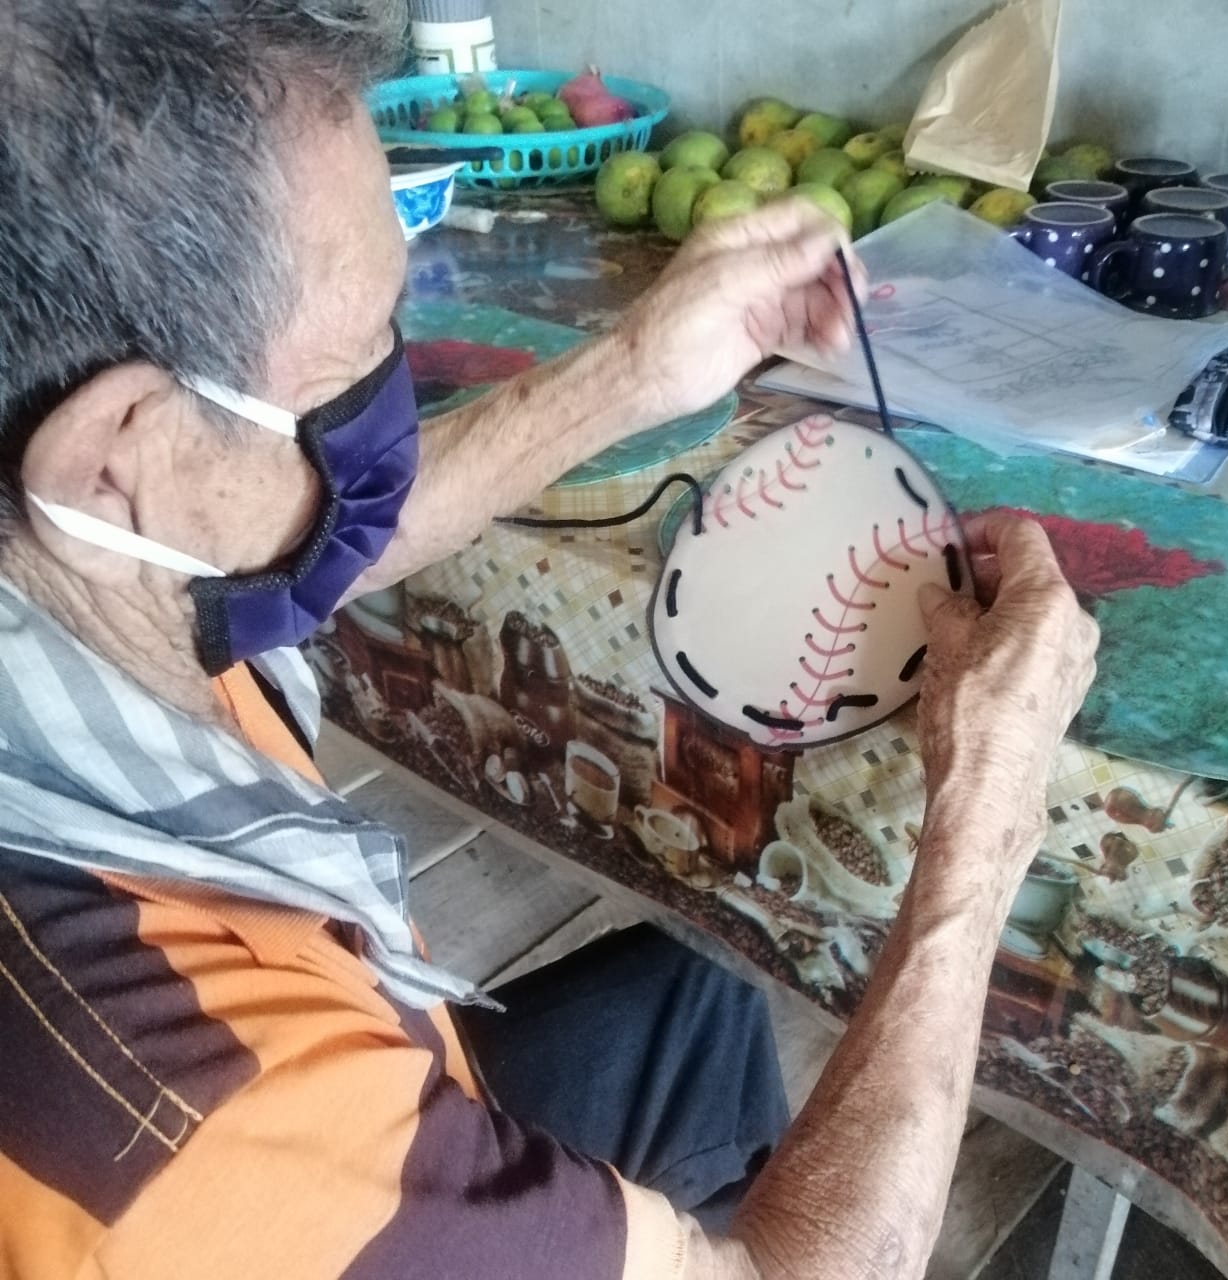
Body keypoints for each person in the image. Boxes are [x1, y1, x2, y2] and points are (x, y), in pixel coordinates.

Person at [0, 4, 1099, 1278]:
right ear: (118, 459)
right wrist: (986, 815)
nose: (393, 390)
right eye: (359, 358)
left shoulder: (85, 556)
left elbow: (282, 547)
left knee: (693, 1001)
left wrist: (633, 367)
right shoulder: (212, 1124)